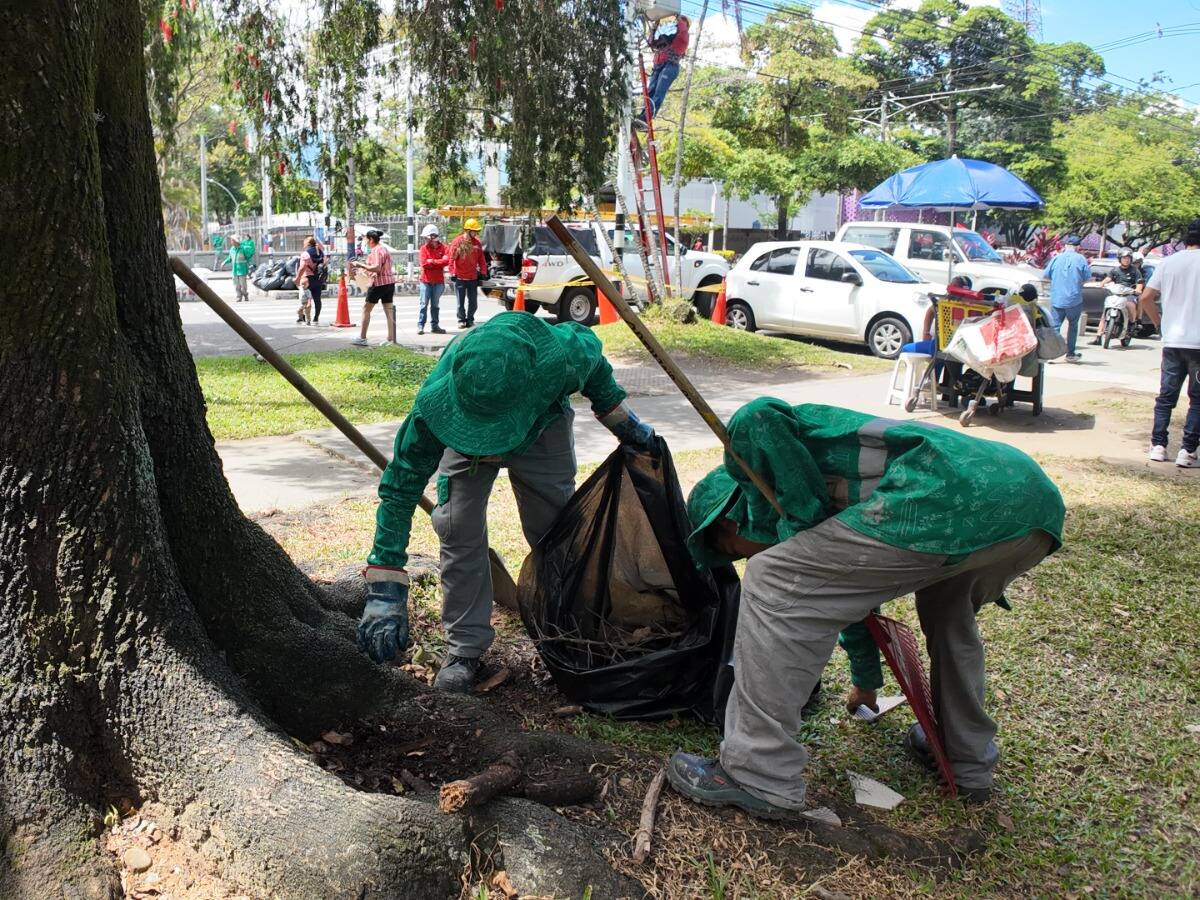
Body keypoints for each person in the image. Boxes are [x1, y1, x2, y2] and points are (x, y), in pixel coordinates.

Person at [667, 398, 1064, 818]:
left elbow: (756, 414)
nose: (742, 557)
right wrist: (866, 679)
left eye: (733, 551)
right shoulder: (814, 483)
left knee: (771, 577)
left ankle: (757, 774)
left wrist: (800, 522)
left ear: (730, 522)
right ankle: (966, 757)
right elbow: (845, 592)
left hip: (944, 495)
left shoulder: (767, 477)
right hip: (1027, 503)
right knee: (950, 614)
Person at [355, 312, 659, 692]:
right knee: (456, 524)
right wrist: (385, 584)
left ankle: (569, 631)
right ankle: (464, 649)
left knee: (556, 526)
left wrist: (625, 424)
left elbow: (596, 370)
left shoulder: (565, 355)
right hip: (461, 432)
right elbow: (399, 488)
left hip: (541, 425)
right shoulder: (435, 408)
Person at [1139, 219, 1200, 468]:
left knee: (1166, 396)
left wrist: (1158, 322)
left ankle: (1158, 445)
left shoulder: (1168, 262)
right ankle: (1187, 450)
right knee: (1197, 400)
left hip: (1173, 339)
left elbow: (1146, 297)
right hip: (1198, 345)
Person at [1041, 234, 1091, 362]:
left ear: (1066, 246)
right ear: (1078, 247)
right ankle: (1070, 354)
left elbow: (1045, 275)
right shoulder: (1081, 259)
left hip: (1058, 297)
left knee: (1055, 326)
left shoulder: (1056, 258)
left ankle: (1052, 354)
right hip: (1074, 299)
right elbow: (1086, 277)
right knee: (1073, 326)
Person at [349, 229, 397, 347]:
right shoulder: (384, 249)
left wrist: (360, 264)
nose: (366, 241)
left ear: (371, 239)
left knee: (366, 309)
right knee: (389, 311)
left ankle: (362, 337)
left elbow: (376, 268)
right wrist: (364, 268)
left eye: (366, 239)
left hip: (378, 283)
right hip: (389, 283)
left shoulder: (376, 250)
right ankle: (390, 339)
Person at [638, 15, 689, 123]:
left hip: (670, 66)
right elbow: (651, 42)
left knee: (658, 92)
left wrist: (677, 16)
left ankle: (647, 118)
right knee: (650, 91)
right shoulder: (669, 39)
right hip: (658, 67)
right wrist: (655, 26)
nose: (678, 22)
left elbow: (683, 28)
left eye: (682, 21)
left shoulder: (683, 38)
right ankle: (643, 116)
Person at [1090, 250, 1143, 345]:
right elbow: (1108, 278)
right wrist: (1102, 283)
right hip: (1116, 294)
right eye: (1124, 258)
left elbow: (1139, 282)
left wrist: (1138, 290)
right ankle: (1098, 337)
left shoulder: (1135, 270)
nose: (1126, 260)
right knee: (1105, 312)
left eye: (1128, 258)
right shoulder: (1115, 270)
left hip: (1129, 294)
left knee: (1130, 305)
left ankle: (1131, 324)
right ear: (1120, 259)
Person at [448, 219, 488, 329]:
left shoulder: (477, 243)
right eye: (474, 231)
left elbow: (482, 260)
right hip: (460, 278)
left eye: (476, 231)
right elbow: (451, 259)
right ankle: (461, 320)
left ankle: (470, 319)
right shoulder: (457, 242)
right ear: (467, 230)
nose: (475, 233)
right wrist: (452, 272)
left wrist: (484, 271)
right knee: (460, 303)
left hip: (472, 278)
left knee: (473, 302)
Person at [418, 224, 448, 336]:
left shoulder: (444, 248)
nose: (425, 240)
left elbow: (446, 261)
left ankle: (435, 326)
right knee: (423, 304)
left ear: (433, 237)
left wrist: (433, 261)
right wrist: (438, 262)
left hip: (438, 282)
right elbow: (424, 264)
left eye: (426, 237)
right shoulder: (423, 249)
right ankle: (420, 325)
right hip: (425, 281)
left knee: (435, 305)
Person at [294, 236, 325, 325]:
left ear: (307, 244)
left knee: (304, 299)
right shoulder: (320, 252)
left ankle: (303, 318)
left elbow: (302, 267)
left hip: (307, 280)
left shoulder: (305, 254)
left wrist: (297, 278)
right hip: (319, 279)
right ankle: (316, 318)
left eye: (304, 243)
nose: (303, 245)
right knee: (317, 299)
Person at [227, 234, 254, 303]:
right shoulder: (232, 249)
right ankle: (239, 297)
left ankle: (245, 294)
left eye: (232, 240)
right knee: (236, 286)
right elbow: (230, 258)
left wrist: (248, 263)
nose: (231, 242)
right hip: (235, 271)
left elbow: (248, 256)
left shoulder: (243, 249)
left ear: (236, 241)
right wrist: (224, 263)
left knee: (243, 285)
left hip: (242, 270)